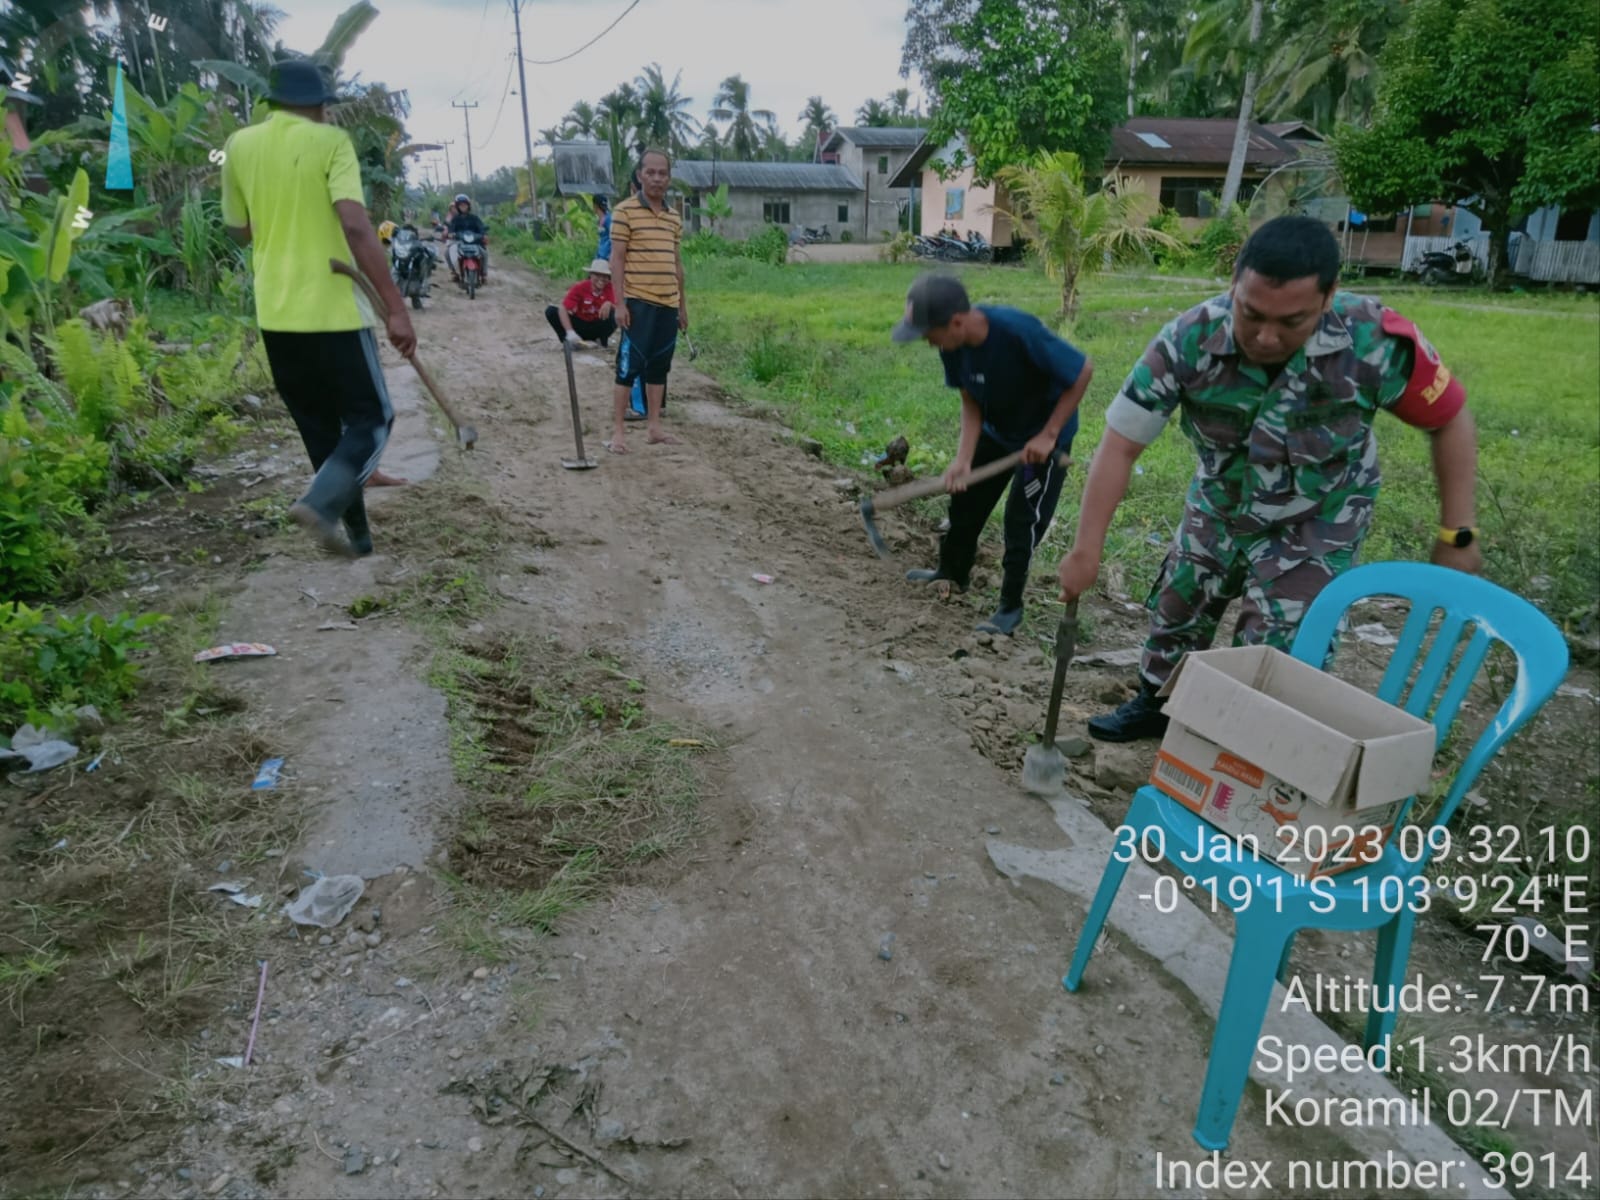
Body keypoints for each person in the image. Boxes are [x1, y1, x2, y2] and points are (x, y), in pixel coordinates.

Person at [1058, 215, 1481, 742]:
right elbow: (1120, 446)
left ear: (1328, 298)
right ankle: (1157, 703)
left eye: (1291, 322)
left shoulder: (1374, 341)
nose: (1265, 336)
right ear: (1234, 282)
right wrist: (1086, 549)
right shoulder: (1187, 341)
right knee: (1178, 606)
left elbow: (1450, 418)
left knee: (1281, 647)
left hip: (1319, 516)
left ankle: (1249, 739)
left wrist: (1457, 532)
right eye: (1251, 313)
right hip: (1221, 502)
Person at [220, 58, 416, 558]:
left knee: (320, 430)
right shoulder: (331, 143)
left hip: (276, 313)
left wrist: (277, 210)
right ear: (319, 105)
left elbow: (238, 229)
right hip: (332, 310)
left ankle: (359, 538)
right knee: (372, 418)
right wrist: (396, 307)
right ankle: (322, 506)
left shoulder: (240, 145)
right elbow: (354, 224)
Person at [891, 274, 1094, 636]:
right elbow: (970, 399)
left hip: (1044, 439)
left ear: (955, 322)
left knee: (1021, 518)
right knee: (963, 499)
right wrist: (963, 458)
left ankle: (1010, 608)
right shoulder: (951, 346)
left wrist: (1048, 435)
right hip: (998, 430)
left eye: (928, 334)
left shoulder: (1016, 332)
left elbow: (1082, 371)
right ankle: (952, 572)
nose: (926, 341)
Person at [607, 149, 687, 453]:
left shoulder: (673, 216)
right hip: (638, 304)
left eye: (662, 173)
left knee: (658, 367)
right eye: (650, 172)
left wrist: (682, 307)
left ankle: (654, 427)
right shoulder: (624, 211)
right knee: (627, 367)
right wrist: (620, 303)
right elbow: (617, 259)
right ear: (640, 175)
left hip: (668, 305)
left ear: (668, 178)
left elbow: (677, 264)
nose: (656, 178)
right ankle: (618, 433)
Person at [546, 258, 616, 348]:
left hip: (597, 324)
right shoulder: (580, 287)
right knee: (551, 311)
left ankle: (602, 340)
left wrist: (610, 304)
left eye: (605, 276)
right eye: (597, 275)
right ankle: (569, 340)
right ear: (591, 275)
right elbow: (564, 308)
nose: (601, 279)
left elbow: (621, 309)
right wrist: (570, 331)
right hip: (581, 323)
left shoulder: (610, 288)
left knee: (614, 313)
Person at [445, 193, 488, 283]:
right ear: (457, 207)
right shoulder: (455, 219)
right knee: (447, 252)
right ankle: (454, 272)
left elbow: (481, 227)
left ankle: (484, 274)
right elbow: (451, 228)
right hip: (459, 242)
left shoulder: (475, 218)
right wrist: (450, 234)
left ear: (468, 206)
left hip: (475, 242)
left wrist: (483, 234)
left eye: (465, 205)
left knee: (484, 253)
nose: (463, 207)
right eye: (461, 205)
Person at [594, 193, 612, 262]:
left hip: (607, 256)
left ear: (595, 206)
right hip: (600, 255)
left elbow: (612, 236)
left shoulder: (608, 219)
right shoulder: (599, 220)